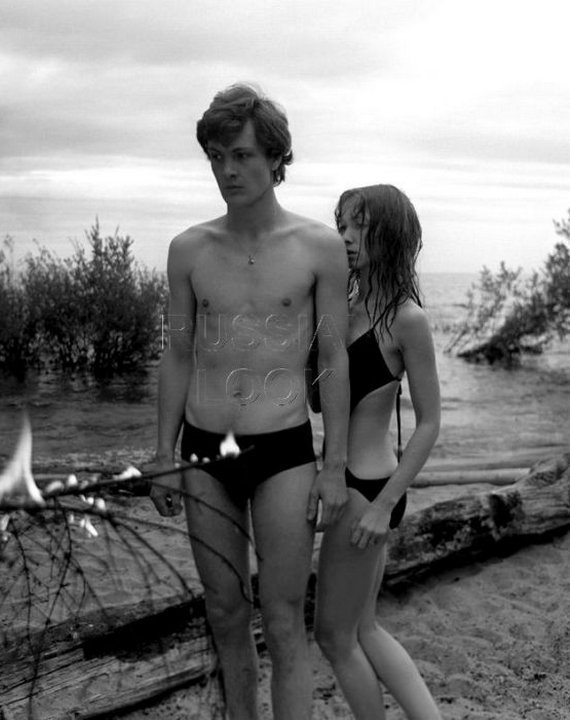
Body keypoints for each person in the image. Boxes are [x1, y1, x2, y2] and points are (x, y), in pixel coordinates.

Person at [149, 83, 350, 720]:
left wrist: (335, 465)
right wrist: (161, 454)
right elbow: (178, 353)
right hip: (204, 449)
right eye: (216, 157)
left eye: (241, 155)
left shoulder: (319, 248)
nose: (227, 171)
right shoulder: (189, 249)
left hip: (284, 450)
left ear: (276, 157)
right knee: (225, 611)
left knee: (284, 617)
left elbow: (333, 357)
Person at [314, 184, 443, 720]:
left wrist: (384, 506)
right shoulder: (342, 309)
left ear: (389, 234)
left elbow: (429, 422)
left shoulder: (406, 318)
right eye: (342, 224)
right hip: (353, 487)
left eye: (359, 226)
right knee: (363, 628)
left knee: (334, 636)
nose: (345, 236)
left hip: (369, 494)